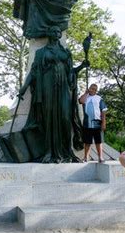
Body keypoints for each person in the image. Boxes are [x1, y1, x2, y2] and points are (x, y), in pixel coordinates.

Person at [19, 27, 82, 163]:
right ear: (48, 34)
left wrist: (81, 67)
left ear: (60, 35)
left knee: (65, 118)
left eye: (58, 32)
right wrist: (24, 88)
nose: (56, 34)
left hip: (63, 87)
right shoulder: (41, 52)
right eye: (53, 32)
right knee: (48, 118)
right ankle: (48, 152)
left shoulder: (66, 52)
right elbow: (34, 71)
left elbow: (71, 71)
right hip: (47, 87)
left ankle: (66, 151)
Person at [78, 84, 107, 162]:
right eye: (91, 88)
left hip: (97, 123)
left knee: (98, 141)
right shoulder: (85, 97)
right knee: (87, 142)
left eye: (94, 89)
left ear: (96, 90)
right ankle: (85, 157)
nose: (92, 90)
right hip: (87, 123)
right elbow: (81, 101)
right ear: (89, 88)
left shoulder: (99, 98)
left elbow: (103, 111)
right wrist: (86, 93)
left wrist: (104, 122)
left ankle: (100, 157)